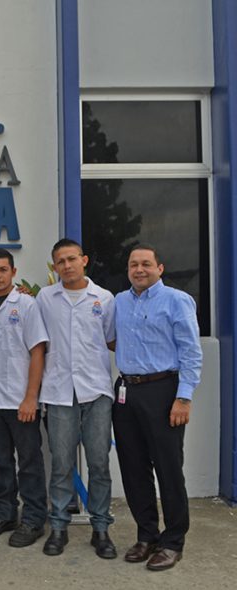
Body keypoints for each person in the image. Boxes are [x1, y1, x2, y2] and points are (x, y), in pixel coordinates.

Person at [113, 244, 202, 571]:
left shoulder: (177, 300)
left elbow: (191, 351)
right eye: (133, 264)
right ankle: (147, 535)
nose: (139, 270)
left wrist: (183, 397)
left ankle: (173, 541)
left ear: (159, 268)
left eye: (146, 264)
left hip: (164, 391)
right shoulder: (119, 301)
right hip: (126, 392)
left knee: (168, 469)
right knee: (133, 469)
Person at [36, 239, 116, 558]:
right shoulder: (45, 298)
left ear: (84, 260)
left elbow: (111, 340)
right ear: (54, 266)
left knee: (99, 463)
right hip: (59, 392)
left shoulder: (104, 299)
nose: (67, 265)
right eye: (60, 261)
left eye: (72, 259)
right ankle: (58, 527)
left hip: (96, 391)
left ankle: (101, 528)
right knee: (61, 463)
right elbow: (38, 342)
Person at [0, 249, 49, 547]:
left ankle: (33, 518)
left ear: (13, 272)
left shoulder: (27, 305)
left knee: (29, 462)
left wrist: (31, 398)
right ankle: (5, 513)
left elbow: (37, 352)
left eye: (3, 269)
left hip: (20, 400)